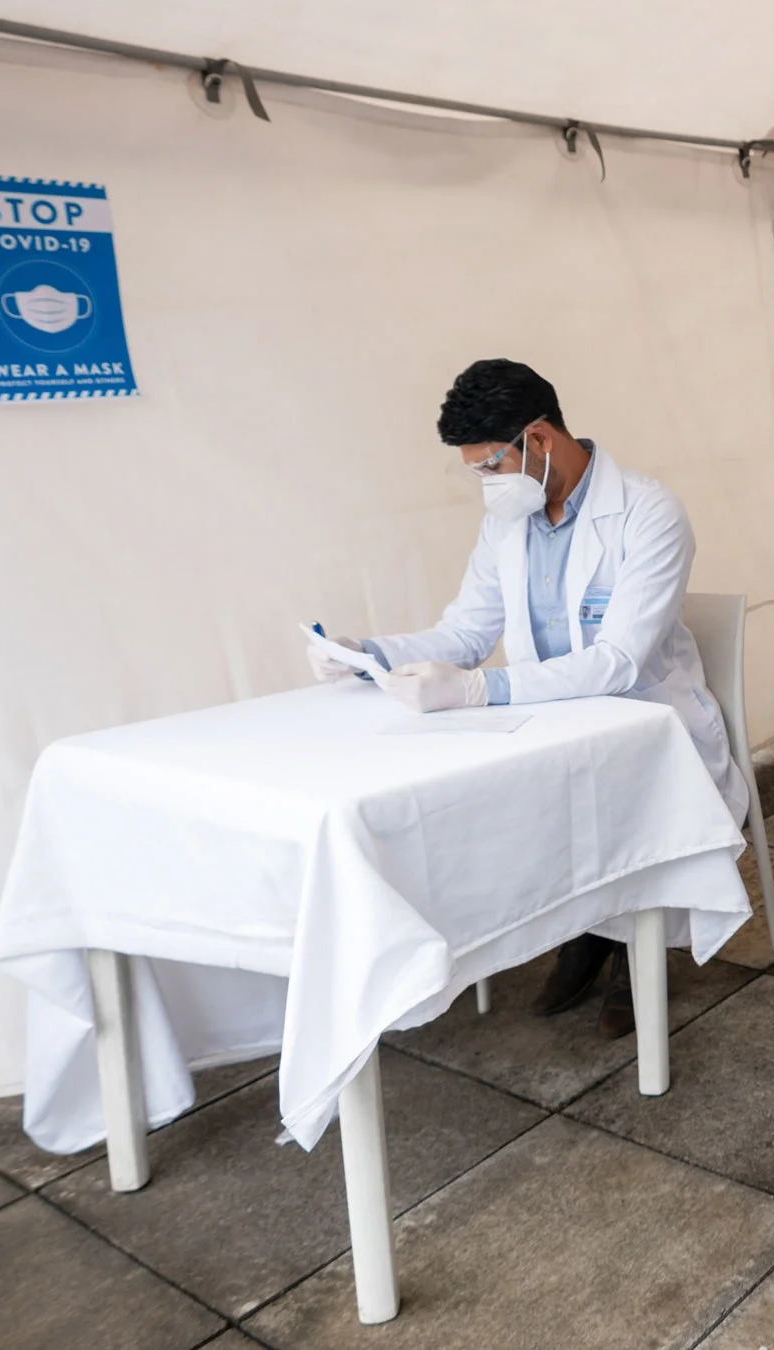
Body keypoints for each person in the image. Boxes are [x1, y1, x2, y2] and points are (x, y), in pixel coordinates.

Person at [306, 359, 746, 1036]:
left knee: (623, 807)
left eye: (489, 466)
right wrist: (370, 651)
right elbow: (468, 629)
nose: (485, 484)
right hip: (548, 719)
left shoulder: (649, 512)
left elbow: (620, 659)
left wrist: (483, 689)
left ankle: (637, 949)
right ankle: (587, 928)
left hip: (648, 721)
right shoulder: (509, 521)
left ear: (538, 438)